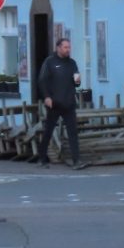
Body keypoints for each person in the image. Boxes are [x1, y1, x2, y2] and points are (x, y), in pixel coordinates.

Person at [37, 37, 85, 169]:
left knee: (73, 132)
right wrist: (47, 97)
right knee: (48, 131)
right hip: (54, 103)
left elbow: (77, 82)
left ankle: (76, 161)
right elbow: (42, 80)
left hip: (69, 103)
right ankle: (42, 158)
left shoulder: (72, 63)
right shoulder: (50, 62)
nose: (68, 50)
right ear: (58, 48)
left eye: (69, 47)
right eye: (65, 47)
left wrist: (78, 80)